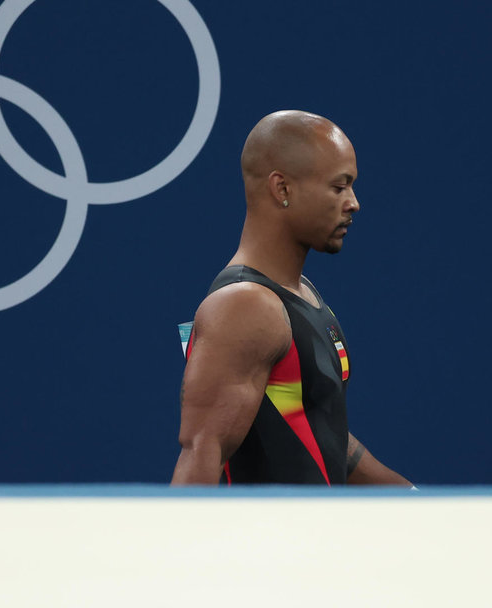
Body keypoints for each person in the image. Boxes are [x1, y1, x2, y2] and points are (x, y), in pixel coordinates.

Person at [171, 110, 411, 486]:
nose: (353, 203)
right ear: (282, 189)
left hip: (317, 543)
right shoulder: (244, 306)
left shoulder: (302, 294)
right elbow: (201, 454)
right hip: (269, 545)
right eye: (338, 187)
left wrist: (414, 500)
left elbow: (320, 427)